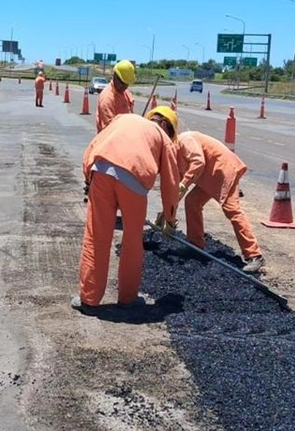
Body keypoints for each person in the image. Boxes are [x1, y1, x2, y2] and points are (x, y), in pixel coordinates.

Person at [75, 106, 180, 311]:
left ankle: (89, 300)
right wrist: (170, 217)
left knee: (96, 237)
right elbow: (171, 182)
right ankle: (128, 299)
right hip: (134, 181)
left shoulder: (123, 119)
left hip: (101, 173)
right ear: (166, 125)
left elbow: (94, 145)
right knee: (132, 241)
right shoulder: (162, 137)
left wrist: (88, 178)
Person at [175, 130, 265, 273]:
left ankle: (254, 255)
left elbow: (198, 162)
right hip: (209, 176)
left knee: (232, 210)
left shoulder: (185, 140)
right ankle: (195, 246)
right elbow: (177, 182)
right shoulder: (173, 151)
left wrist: (184, 184)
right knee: (192, 202)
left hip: (223, 170)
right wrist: (169, 208)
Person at [96, 59, 136, 132]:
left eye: (127, 83)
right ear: (115, 76)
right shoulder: (107, 97)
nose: (125, 86)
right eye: (122, 82)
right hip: (112, 139)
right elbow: (110, 129)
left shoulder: (125, 92)